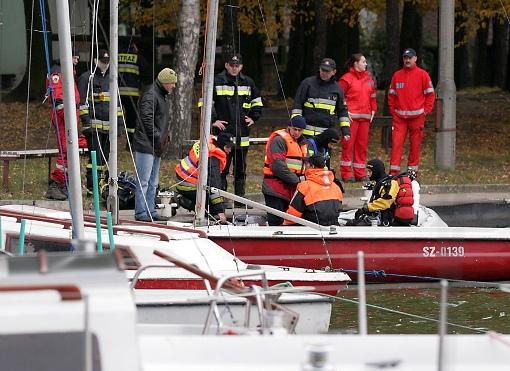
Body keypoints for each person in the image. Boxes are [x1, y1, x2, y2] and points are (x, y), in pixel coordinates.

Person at [209, 53, 263, 204]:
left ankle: (240, 200)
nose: (234, 68)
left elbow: (257, 101)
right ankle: (221, 200)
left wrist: (253, 117)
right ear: (226, 65)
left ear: (241, 66)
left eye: (237, 66)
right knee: (221, 168)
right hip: (223, 135)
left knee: (240, 170)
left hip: (242, 135)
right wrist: (213, 120)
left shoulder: (248, 82)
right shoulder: (216, 81)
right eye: (231, 65)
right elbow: (204, 103)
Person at [133, 67, 177, 222]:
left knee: (153, 182)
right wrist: (158, 137)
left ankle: (150, 210)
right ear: (164, 82)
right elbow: (146, 119)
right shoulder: (151, 95)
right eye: (172, 83)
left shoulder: (160, 95)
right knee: (144, 181)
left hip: (155, 145)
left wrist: (163, 138)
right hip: (146, 144)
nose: (174, 86)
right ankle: (141, 212)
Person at [78, 48, 123, 193]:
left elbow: (117, 104)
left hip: (108, 128)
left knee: (105, 159)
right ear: (95, 60)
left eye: (107, 62)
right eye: (103, 61)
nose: (105, 64)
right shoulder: (87, 78)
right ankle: (93, 188)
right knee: (95, 159)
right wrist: (86, 120)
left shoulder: (112, 79)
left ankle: (102, 186)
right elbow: (82, 101)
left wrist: (120, 123)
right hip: (93, 126)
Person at [388, 48, 435, 176]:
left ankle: (412, 172)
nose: (407, 60)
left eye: (410, 58)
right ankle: (393, 173)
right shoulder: (397, 75)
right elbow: (391, 95)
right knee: (396, 145)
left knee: (415, 146)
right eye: (405, 58)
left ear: (415, 59)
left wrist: (426, 111)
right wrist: (393, 111)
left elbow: (430, 95)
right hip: (399, 118)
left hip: (417, 117)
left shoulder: (423, 75)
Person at [44, 53, 82, 200]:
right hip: (64, 118)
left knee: (68, 151)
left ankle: (63, 183)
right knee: (65, 151)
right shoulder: (58, 73)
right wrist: (69, 119)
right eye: (75, 57)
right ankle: (57, 184)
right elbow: (59, 100)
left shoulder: (66, 72)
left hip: (69, 117)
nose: (77, 60)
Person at [175, 132, 234, 224]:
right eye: (228, 147)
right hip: (189, 185)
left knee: (212, 201)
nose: (230, 150)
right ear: (222, 146)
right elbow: (214, 186)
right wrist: (220, 212)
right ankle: (185, 201)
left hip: (182, 178)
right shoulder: (213, 158)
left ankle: (188, 200)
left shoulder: (206, 144)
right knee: (212, 209)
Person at [262, 116, 309, 226]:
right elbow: (278, 167)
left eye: (300, 130)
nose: (297, 132)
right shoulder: (279, 140)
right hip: (276, 189)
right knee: (276, 223)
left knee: (289, 224)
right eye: (294, 129)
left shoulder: (302, 143)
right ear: (289, 127)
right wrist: (298, 181)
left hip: (291, 189)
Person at [338, 53, 377, 182]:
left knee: (362, 147)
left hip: (365, 118)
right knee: (348, 146)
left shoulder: (369, 79)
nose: (366, 64)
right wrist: (344, 111)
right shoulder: (346, 79)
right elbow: (339, 96)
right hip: (351, 118)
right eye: (363, 62)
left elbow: (372, 96)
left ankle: (360, 173)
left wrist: (373, 110)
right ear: (356, 64)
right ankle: (347, 174)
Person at [291, 57, 351, 140]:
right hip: (305, 134)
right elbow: (297, 105)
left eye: (327, 71)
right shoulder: (307, 83)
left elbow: (342, 111)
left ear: (334, 72)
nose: (324, 73)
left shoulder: (337, 89)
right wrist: (296, 124)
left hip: (325, 136)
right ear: (319, 69)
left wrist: (345, 130)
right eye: (322, 70)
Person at [283, 154, 343, 226]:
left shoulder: (304, 186)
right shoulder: (335, 187)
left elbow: (292, 216)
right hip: (333, 228)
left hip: (311, 229)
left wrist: (282, 225)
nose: (305, 166)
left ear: (312, 166)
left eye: (307, 164)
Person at [349, 159, 398, 226]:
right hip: (375, 216)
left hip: (384, 220)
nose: (367, 174)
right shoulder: (379, 183)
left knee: (350, 224)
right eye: (367, 171)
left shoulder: (390, 183)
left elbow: (385, 203)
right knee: (343, 218)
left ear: (376, 171)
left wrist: (366, 209)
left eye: (369, 171)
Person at [118, 38, 145, 146]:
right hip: (132, 93)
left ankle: (110, 140)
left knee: (114, 116)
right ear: (133, 45)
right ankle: (130, 144)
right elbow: (146, 69)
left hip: (117, 93)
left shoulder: (116, 56)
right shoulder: (136, 56)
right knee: (131, 119)